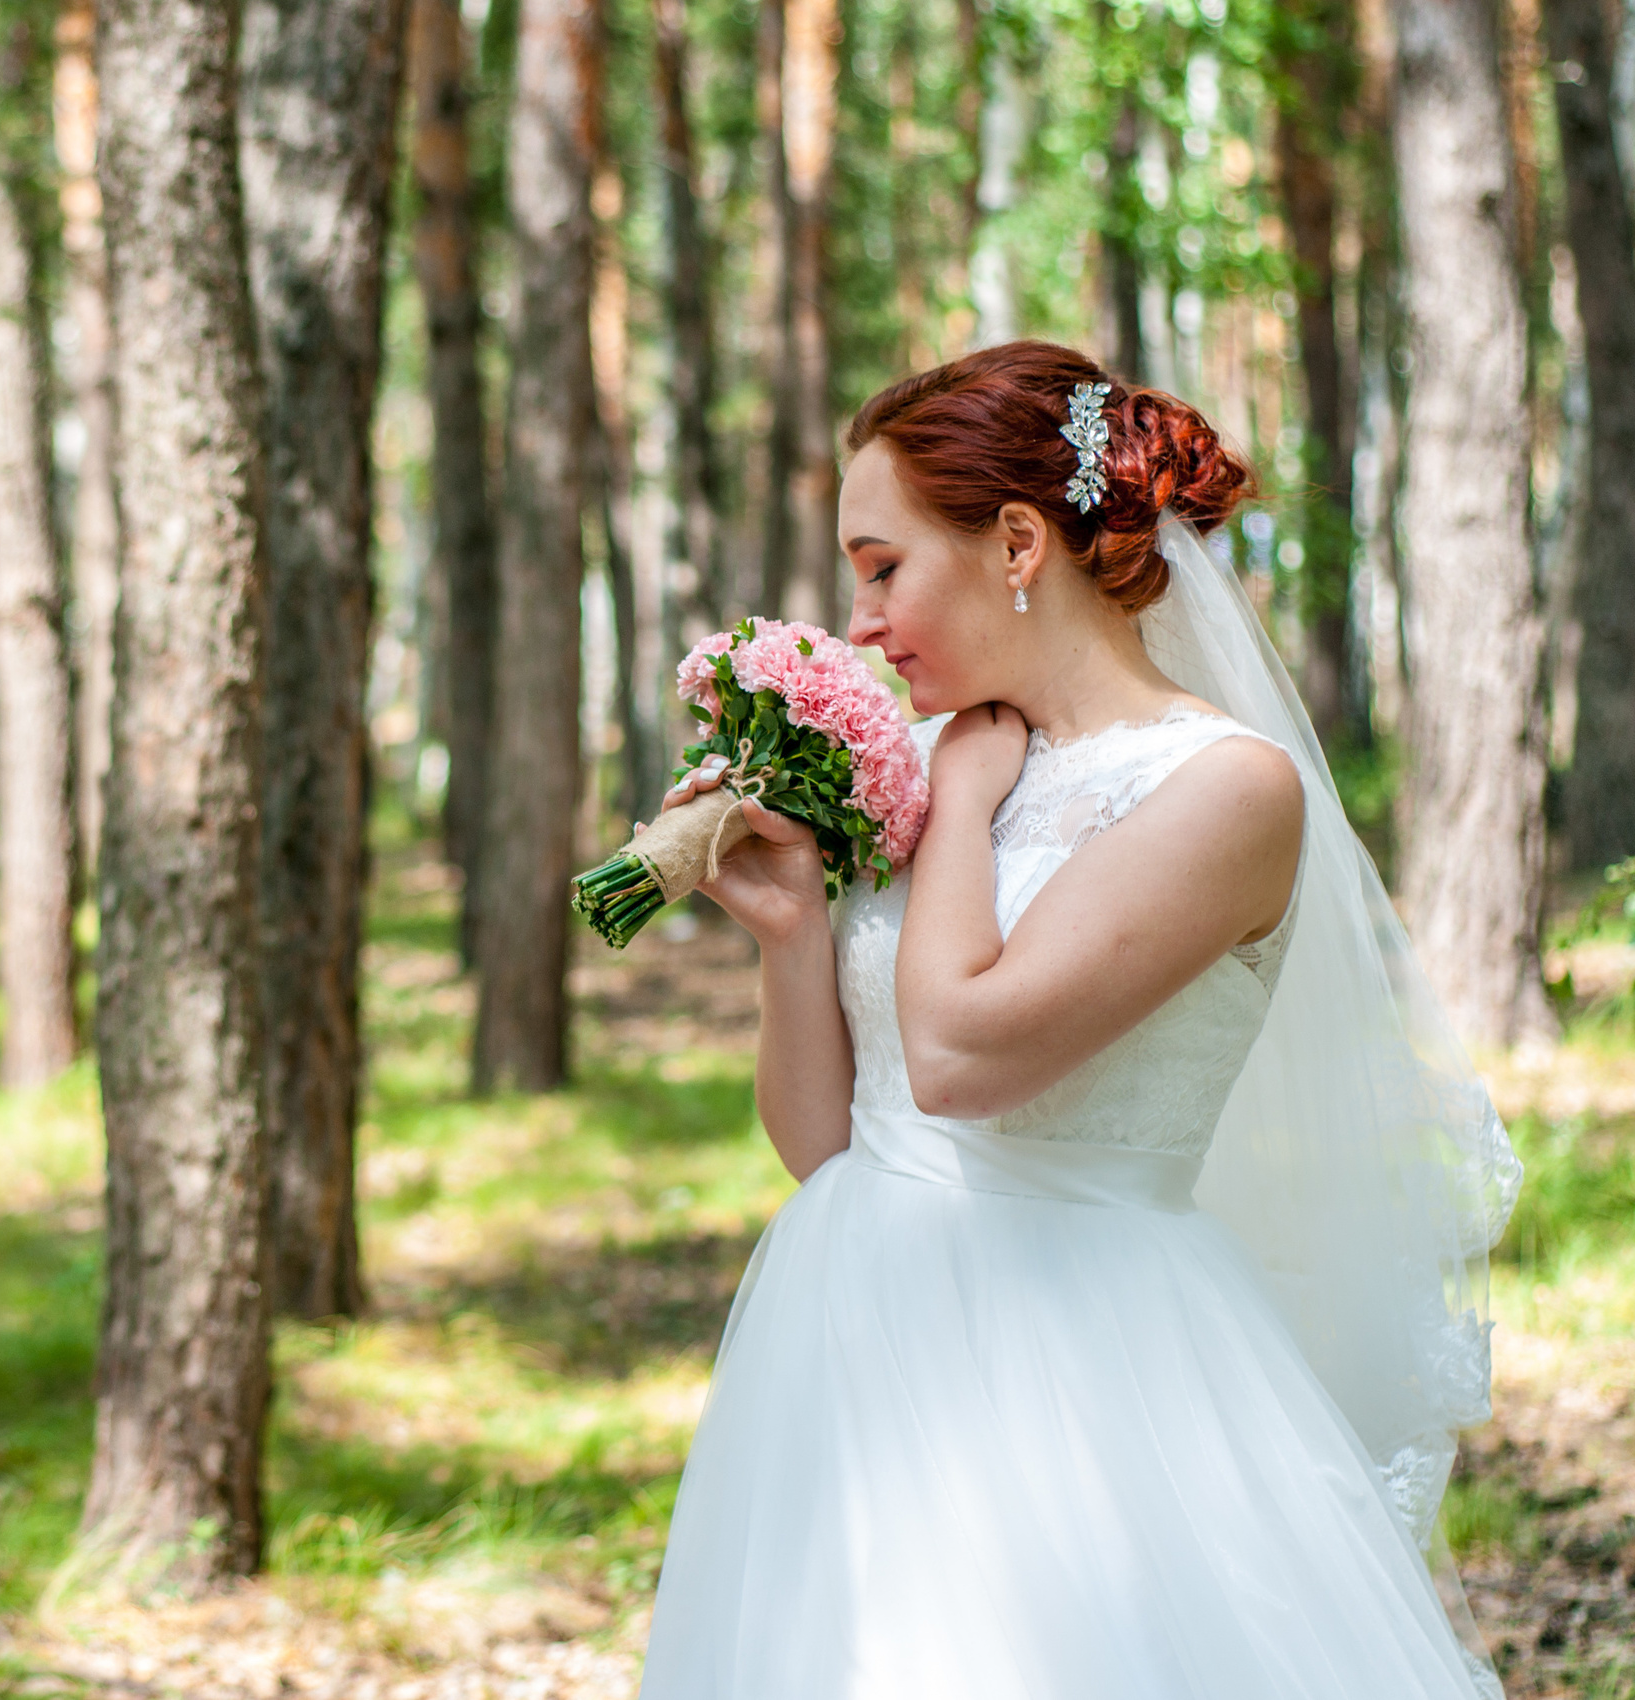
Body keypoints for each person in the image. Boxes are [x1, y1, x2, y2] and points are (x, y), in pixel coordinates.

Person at [637, 342, 1518, 1698]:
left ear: (1013, 543)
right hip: (854, 1348)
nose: (860, 622)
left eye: (883, 566)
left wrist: (969, 805)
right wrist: (797, 931)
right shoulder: (940, 767)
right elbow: (833, 1144)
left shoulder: (1224, 790)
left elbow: (958, 1057)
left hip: (1085, 1376)